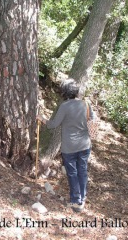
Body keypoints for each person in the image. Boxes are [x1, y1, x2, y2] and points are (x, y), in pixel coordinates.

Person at [37, 78, 95, 213]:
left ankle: (76, 201)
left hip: (69, 147)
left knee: (73, 173)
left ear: (64, 92)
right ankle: (82, 197)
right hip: (85, 145)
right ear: (75, 91)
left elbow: (53, 124)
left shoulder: (64, 106)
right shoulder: (86, 104)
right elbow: (92, 120)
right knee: (82, 171)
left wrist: (41, 118)